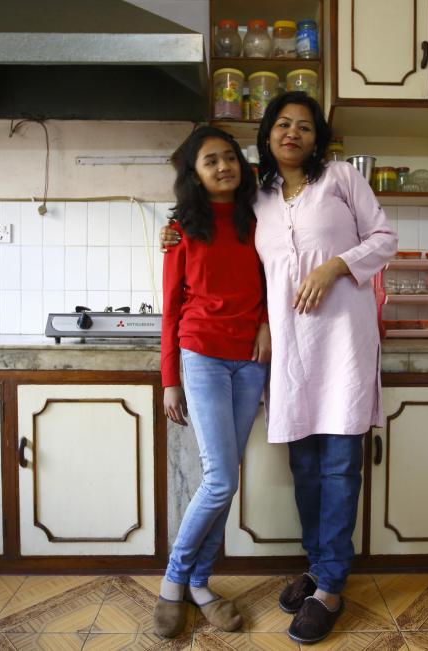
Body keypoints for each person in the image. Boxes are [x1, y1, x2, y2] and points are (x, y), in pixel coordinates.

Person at [161, 92, 398, 644]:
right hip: (288, 355)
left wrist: (338, 265)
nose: (293, 133)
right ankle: (318, 567)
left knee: (339, 467)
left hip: (342, 347)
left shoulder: (340, 179)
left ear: (319, 139)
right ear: (266, 136)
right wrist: (175, 232)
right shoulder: (258, 198)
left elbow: (384, 238)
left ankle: (332, 587)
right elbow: (240, 259)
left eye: (306, 127)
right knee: (306, 469)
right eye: (283, 125)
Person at [154, 126, 271, 638]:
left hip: (250, 357)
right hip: (200, 354)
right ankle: (174, 581)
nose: (224, 166)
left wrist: (265, 322)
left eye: (230, 158)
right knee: (221, 477)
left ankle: (200, 583)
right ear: (195, 175)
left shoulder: (260, 217)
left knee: (224, 481)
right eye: (210, 161)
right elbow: (171, 309)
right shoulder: (182, 228)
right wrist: (169, 380)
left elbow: (275, 279)